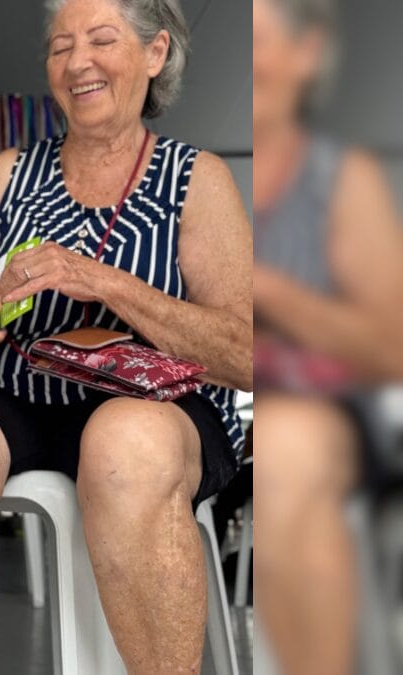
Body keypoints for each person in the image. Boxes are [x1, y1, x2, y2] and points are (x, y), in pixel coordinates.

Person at [0, 0, 252, 672]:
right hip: (19, 398)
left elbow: (247, 354)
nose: (76, 61)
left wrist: (105, 281)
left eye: (100, 40)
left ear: (154, 53)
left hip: (154, 408)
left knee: (124, 442)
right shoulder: (12, 172)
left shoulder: (195, 179)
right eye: (60, 46)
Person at [252, 0, 403, 672]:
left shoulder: (342, 180)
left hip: (332, 415)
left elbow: (389, 347)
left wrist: (272, 289)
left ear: (307, 54)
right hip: (231, 417)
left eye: (260, 41)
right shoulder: (205, 185)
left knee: (286, 450)